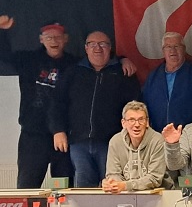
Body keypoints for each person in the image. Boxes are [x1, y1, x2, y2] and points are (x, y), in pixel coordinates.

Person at [50, 31, 141, 187]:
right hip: (78, 142)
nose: (97, 48)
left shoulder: (124, 73)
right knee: (84, 190)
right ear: (86, 48)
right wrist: (58, 130)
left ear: (110, 48)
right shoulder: (73, 72)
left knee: (113, 187)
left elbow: (135, 108)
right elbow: (57, 103)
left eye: (102, 44)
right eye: (92, 44)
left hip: (112, 144)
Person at [0, 17, 78, 188]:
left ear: (66, 39)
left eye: (58, 37)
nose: (54, 41)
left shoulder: (74, 65)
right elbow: (4, 57)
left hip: (63, 136)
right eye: (49, 37)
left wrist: (123, 59)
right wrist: (2, 31)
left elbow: (99, 62)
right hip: (33, 135)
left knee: (63, 188)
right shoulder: (29, 60)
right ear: (41, 39)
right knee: (27, 187)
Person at [102, 101, 172, 193]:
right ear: (123, 123)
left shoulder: (157, 140)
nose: (137, 125)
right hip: (126, 194)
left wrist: (126, 186)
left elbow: (155, 178)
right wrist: (112, 184)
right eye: (131, 120)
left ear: (147, 122)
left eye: (141, 120)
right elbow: (113, 174)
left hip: (160, 195)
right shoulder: (115, 142)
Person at [142, 32, 192, 133]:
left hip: (189, 134)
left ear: (184, 49)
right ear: (163, 51)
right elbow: (144, 105)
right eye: (168, 47)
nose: (172, 50)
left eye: (177, 46)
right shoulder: (153, 76)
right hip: (160, 134)